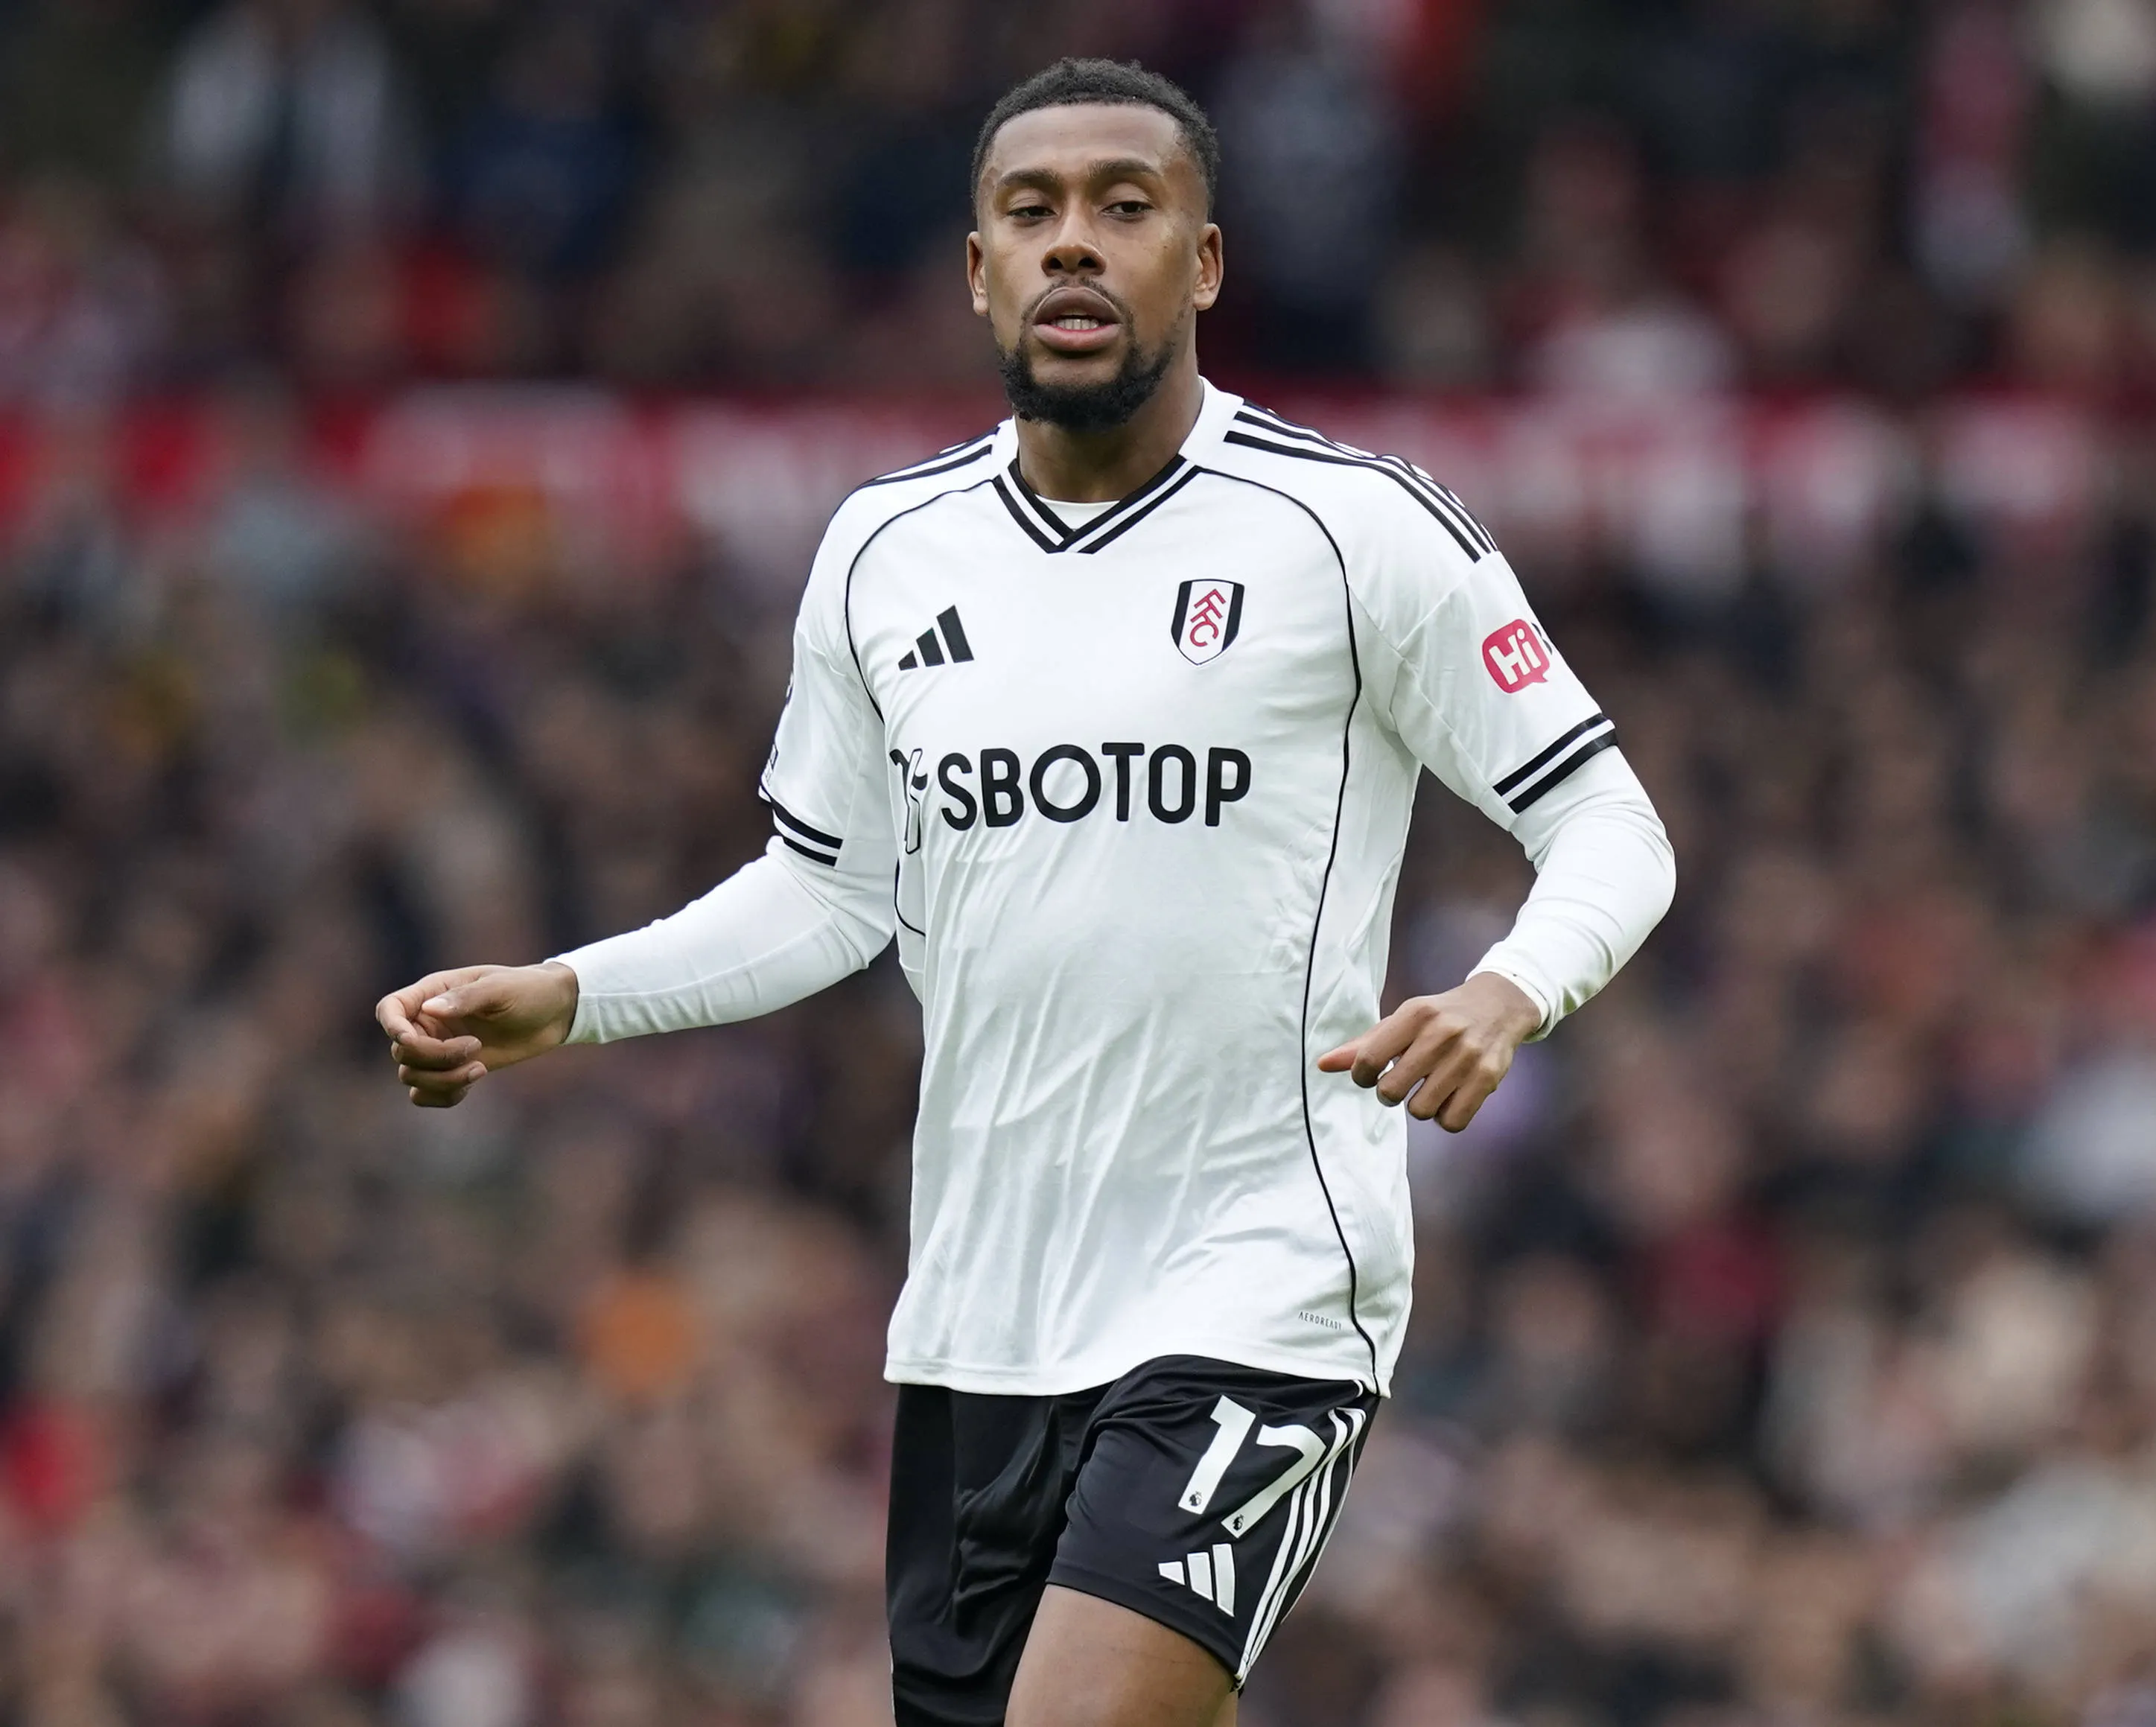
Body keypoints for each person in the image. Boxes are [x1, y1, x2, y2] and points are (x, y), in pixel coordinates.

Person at [375, 57, 1675, 1727]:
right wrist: (565, 994)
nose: (1075, 246)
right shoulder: (883, 553)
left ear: (1203, 262)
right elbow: (826, 893)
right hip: (983, 1316)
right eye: (1031, 212)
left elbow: (1613, 824)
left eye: (1125, 209)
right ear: (976, 268)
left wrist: (1509, 990)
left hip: (1257, 1281)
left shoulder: (1352, 533)